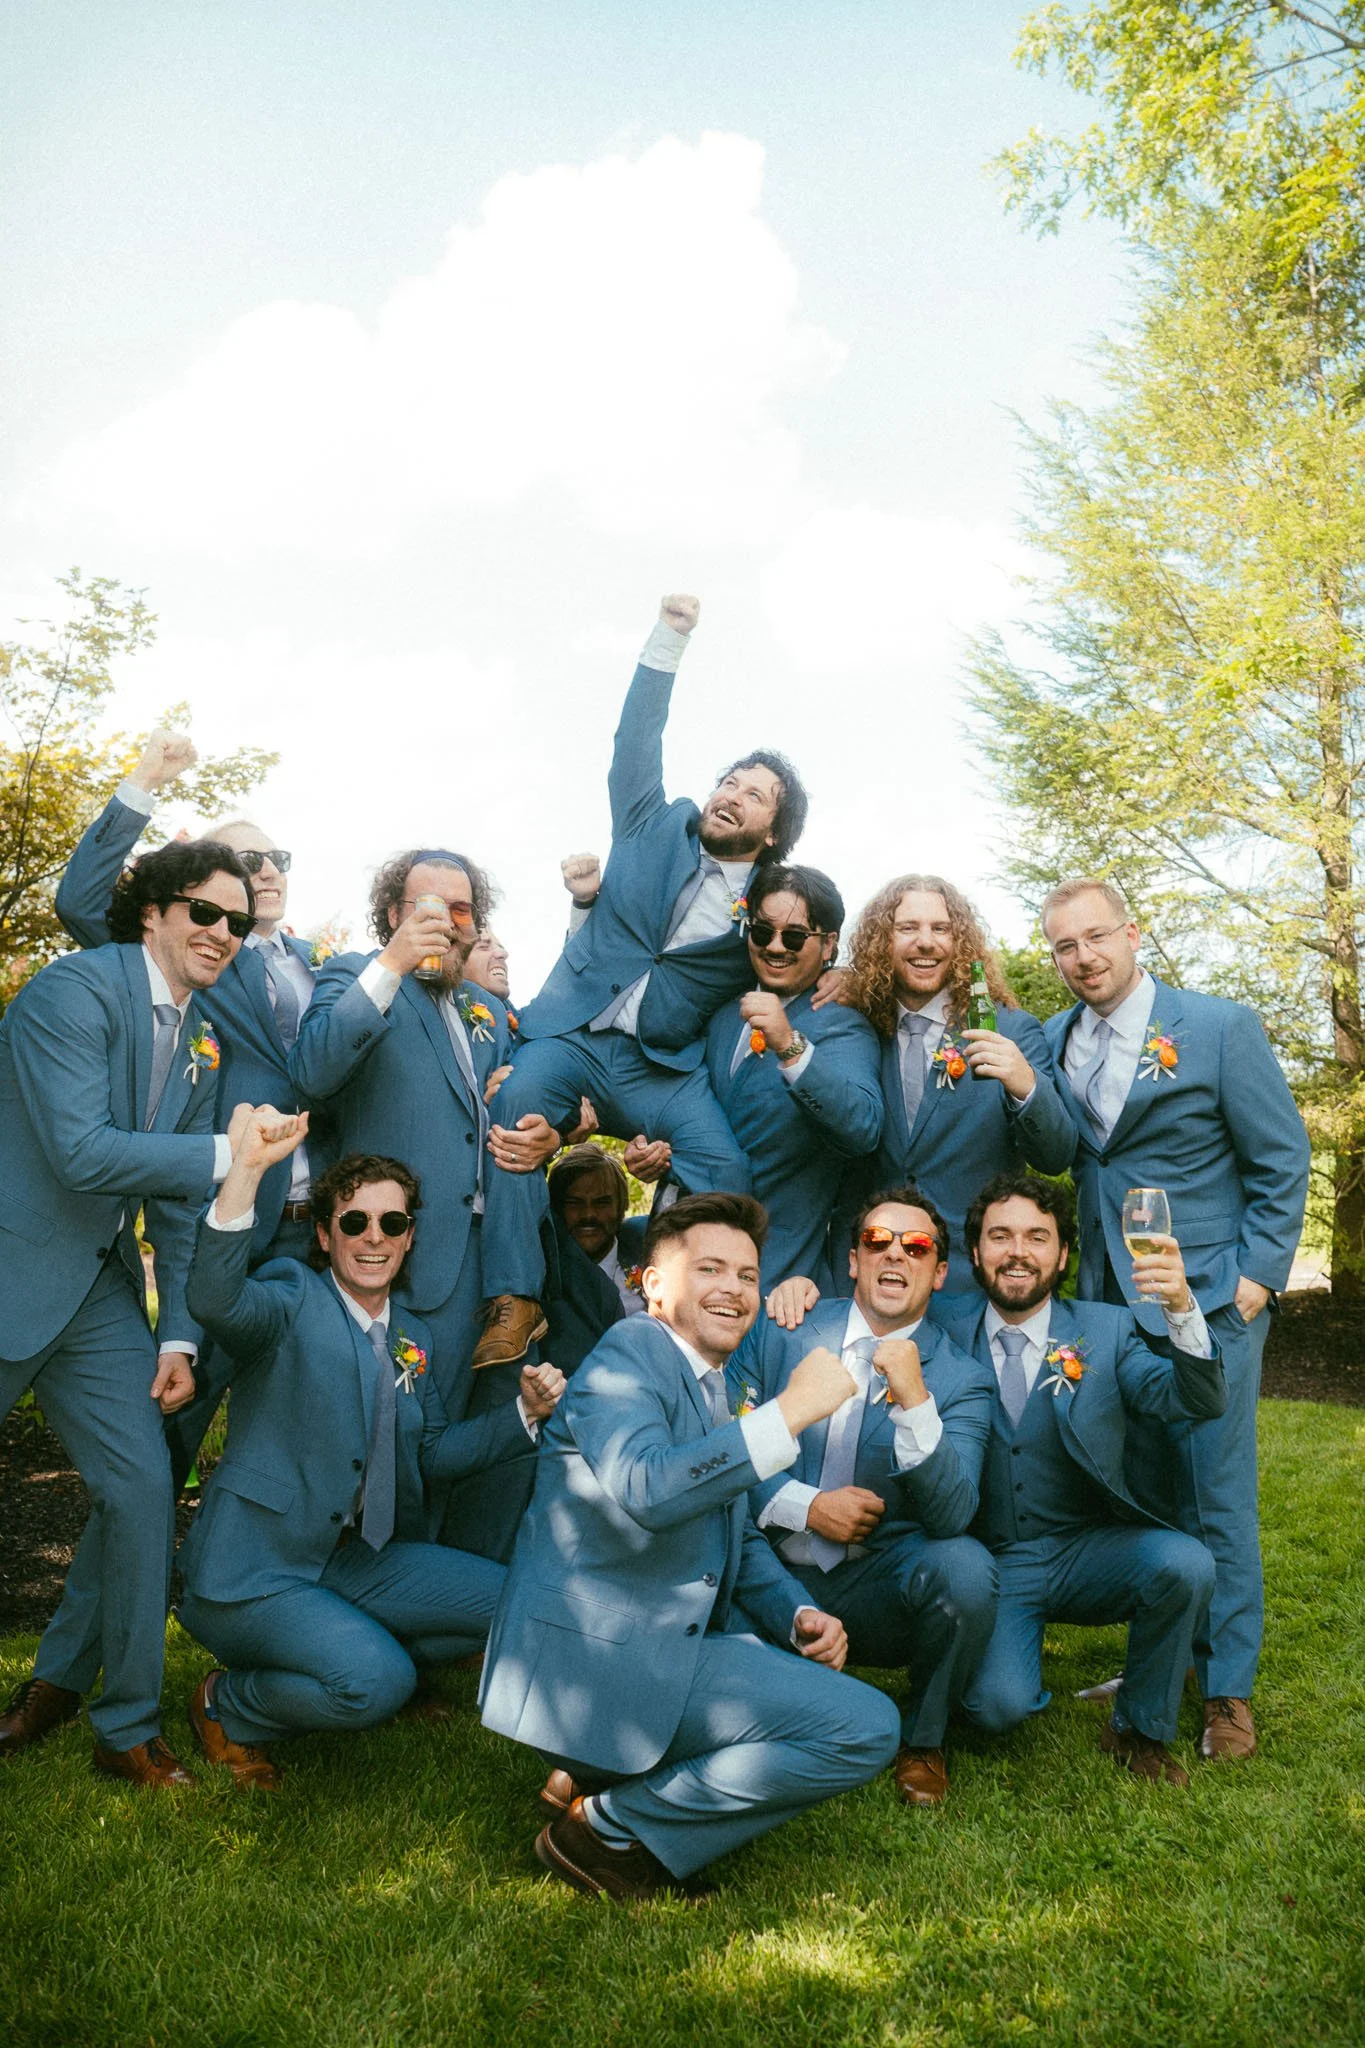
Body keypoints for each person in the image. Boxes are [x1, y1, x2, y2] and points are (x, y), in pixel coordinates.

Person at [480, 1193, 901, 1901]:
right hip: (593, 1666)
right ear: (652, 1284)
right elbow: (648, 1489)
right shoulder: (629, 1352)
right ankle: (610, 1826)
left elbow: (732, 1529)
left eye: (745, 1275)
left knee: (825, 1702)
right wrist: (790, 1411)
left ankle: (603, 1781)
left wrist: (796, 1613)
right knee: (865, 1726)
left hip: (648, 1646)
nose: (733, 1290)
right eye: (710, 1269)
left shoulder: (710, 1381)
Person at [178, 1127, 564, 1788]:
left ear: (410, 1234)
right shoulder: (290, 1296)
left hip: (359, 1559)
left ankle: (350, 1640)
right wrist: (243, 1172)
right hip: (258, 1570)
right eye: (354, 1220)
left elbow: (436, 1453)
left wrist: (525, 1414)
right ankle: (228, 1702)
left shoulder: (412, 1335)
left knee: (512, 1599)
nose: (374, 1236)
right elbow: (215, 1299)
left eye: (392, 1221)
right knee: (377, 1682)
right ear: (326, 1235)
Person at [0, 840, 254, 1787]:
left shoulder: (202, 1038)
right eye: (204, 912)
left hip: (96, 1293)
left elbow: (176, 1207)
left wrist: (179, 1332)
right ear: (152, 910)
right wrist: (235, 1158)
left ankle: (126, 1730)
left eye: (239, 921)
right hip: (8, 1264)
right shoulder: (73, 992)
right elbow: (80, 1154)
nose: (222, 933)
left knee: (144, 1489)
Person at [1040, 877, 1311, 1761]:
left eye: (1094, 938)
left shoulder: (1218, 1027)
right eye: (1063, 948)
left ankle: (1226, 1690)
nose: (1082, 959)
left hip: (1206, 1302)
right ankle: (1165, 1664)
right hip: (1109, 1311)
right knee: (1147, 1494)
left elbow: (1280, 1157)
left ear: (1132, 932)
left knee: (1215, 1497)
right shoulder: (1054, 1041)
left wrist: (1258, 1279)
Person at [53, 728, 328, 1490]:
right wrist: (145, 781)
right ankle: (120, 1583)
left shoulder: (320, 969)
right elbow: (80, 901)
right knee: (165, 1435)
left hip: (317, 1237)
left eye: (277, 857)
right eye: (244, 861)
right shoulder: (193, 956)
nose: (266, 869)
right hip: (221, 1226)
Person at [492, 594, 811, 1199]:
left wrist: (838, 979)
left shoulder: (770, 908)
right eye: (729, 781)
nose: (733, 794)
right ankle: (515, 1292)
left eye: (755, 795)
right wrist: (670, 636)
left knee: (726, 1174)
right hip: (571, 1037)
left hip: (660, 1070)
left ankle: (691, 1288)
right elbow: (635, 739)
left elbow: (801, 957)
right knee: (516, 1110)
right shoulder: (650, 824)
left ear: (772, 833)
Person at [943, 1172, 1225, 1786]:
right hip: (992, 1563)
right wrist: (799, 1288)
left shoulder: (1105, 1329)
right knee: (995, 1710)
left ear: (1063, 1254)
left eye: (1037, 1237)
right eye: (1000, 1235)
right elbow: (865, 1309)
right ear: (974, 1252)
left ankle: (1138, 1728)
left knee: (1186, 1563)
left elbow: (1191, 1399)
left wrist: (1180, 1308)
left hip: (1085, 1551)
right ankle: (995, 1668)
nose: (1018, 1251)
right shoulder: (938, 1325)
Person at [727, 1187, 997, 1806]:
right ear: (853, 1261)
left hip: (876, 1585)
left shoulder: (960, 1380)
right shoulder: (782, 1329)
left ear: (940, 1272)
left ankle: (924, 1741)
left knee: (967, 1570)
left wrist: (915, 1401)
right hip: (762, 1564)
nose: (895, 1255)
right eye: (878, 1242)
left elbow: (954, 1514)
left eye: (917, 1246)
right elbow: (725, 1448)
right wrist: (806, 1506)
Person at [292, 849, 559, 1408]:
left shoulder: (485, 1006)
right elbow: (314, 1071)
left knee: (498, 1434)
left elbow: (529, 1104)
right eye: (426, 908)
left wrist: (554, 1134)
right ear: (394, 914)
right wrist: (391, 964)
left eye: (460, 910)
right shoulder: (354, 973)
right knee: (405, 1437)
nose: (445, 922)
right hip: (406, 1251)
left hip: (502, 1264)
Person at [841, 874, 1075, 1297]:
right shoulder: (857, 1028)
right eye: (907, 927)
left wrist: (1025, 1086)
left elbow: (1057, 1154)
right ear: (881, 941)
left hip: (973, 1286)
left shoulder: (1012, 1029)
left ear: (961, 941)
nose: (925, 942)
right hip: (874, 1283)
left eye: (940, 928)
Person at [705, 865, 883, 1290]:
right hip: (689, 1269)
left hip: (777, 1275)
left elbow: (863, 1128)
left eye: (796, 936)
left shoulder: (845, 1025)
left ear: (829, 945)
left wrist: (790, 1045)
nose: (776, 947)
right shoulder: (721, 1015)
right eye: (763, 932)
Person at [547, 1143, 648, 1318]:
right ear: (557, 1209)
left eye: (601, 1203)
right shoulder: (544, 1276)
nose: (588, 1214)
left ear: (621, 1205)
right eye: (575, 1203)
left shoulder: (646, 1243)